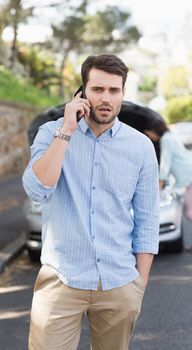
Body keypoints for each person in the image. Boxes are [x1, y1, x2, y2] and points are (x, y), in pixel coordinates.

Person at [22, 54, 160, 350]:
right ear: (82, 92)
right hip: (61, 279)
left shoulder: (141, 147)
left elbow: (148, 218)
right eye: (98, 89)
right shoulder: (52, 133)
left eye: (114, 90)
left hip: (119, 283)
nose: (106, 98)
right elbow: (37, 189)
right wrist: (67, 130)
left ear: (123, 93)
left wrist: (139, 285)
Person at [143, 119, 192, 253]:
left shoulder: (166, 140)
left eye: (148, 134)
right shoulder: (170, 137)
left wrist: (160, 184)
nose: (149, 137)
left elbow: (165, 163)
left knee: (190, 212)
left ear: (153, 131)